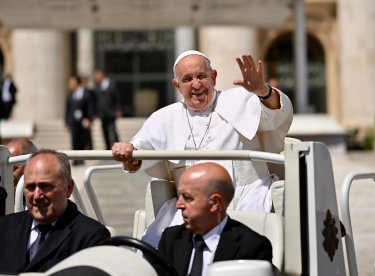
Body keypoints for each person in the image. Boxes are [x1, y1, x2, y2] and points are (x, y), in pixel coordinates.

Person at [112, 50, 293, 246]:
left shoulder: (240, 100)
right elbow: (139, 151)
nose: (196, 84)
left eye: (201, 76)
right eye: (187, 79)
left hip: (244, 196)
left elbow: (278, 116)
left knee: (243, 246)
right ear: (177, 85)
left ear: (213, 77)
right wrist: (128, 150)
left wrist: (263, 92)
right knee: (159, 245)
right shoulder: (165, 117)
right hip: (190, 205)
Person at [0, 149, 110, 273]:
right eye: (30, 187)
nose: (36, 195)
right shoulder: (4, 227)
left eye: (45, 186)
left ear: (68, 188)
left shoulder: (91, 237)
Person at [158, 162, 274, 276]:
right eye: (179, 196)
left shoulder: (252, 247)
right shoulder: (171, 238)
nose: (179, 204)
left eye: (187, 198)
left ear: (214, 203)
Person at [65, 75, 94, 165]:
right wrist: (66, 122)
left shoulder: (85, 94)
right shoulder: (70, 95)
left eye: (72, 83)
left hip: (83, 122)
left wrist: (89, 119)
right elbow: (67, 110)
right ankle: (75, 158)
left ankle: (81, 158)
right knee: (74, 140)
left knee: (82, 140)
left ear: (77, 83)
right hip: (73, 122)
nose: (70, 85)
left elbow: (89, 107)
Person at [94, 69, 122, 150]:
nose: (96, 77)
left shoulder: (112, 84)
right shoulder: (98, 86)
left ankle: (117, 146)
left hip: (111, 112)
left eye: (97, 75)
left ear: (102, 75)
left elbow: (117, 98)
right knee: (104, 131)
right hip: (102, 113)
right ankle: (107, 147)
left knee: (112, 130)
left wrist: (118, 109)